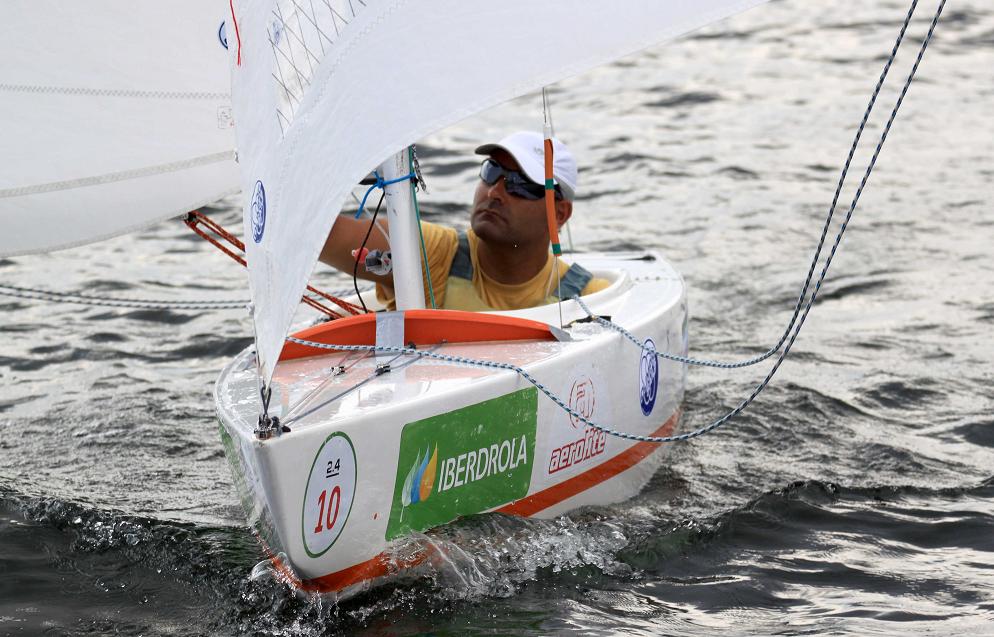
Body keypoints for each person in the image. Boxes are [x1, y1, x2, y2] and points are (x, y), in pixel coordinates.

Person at [319, 131, 611, 311]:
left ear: (559, 214)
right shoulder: (434, 256)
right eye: (491, 172)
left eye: (519, 184)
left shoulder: (588, 299)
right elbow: (320, 235)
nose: (494, 192)